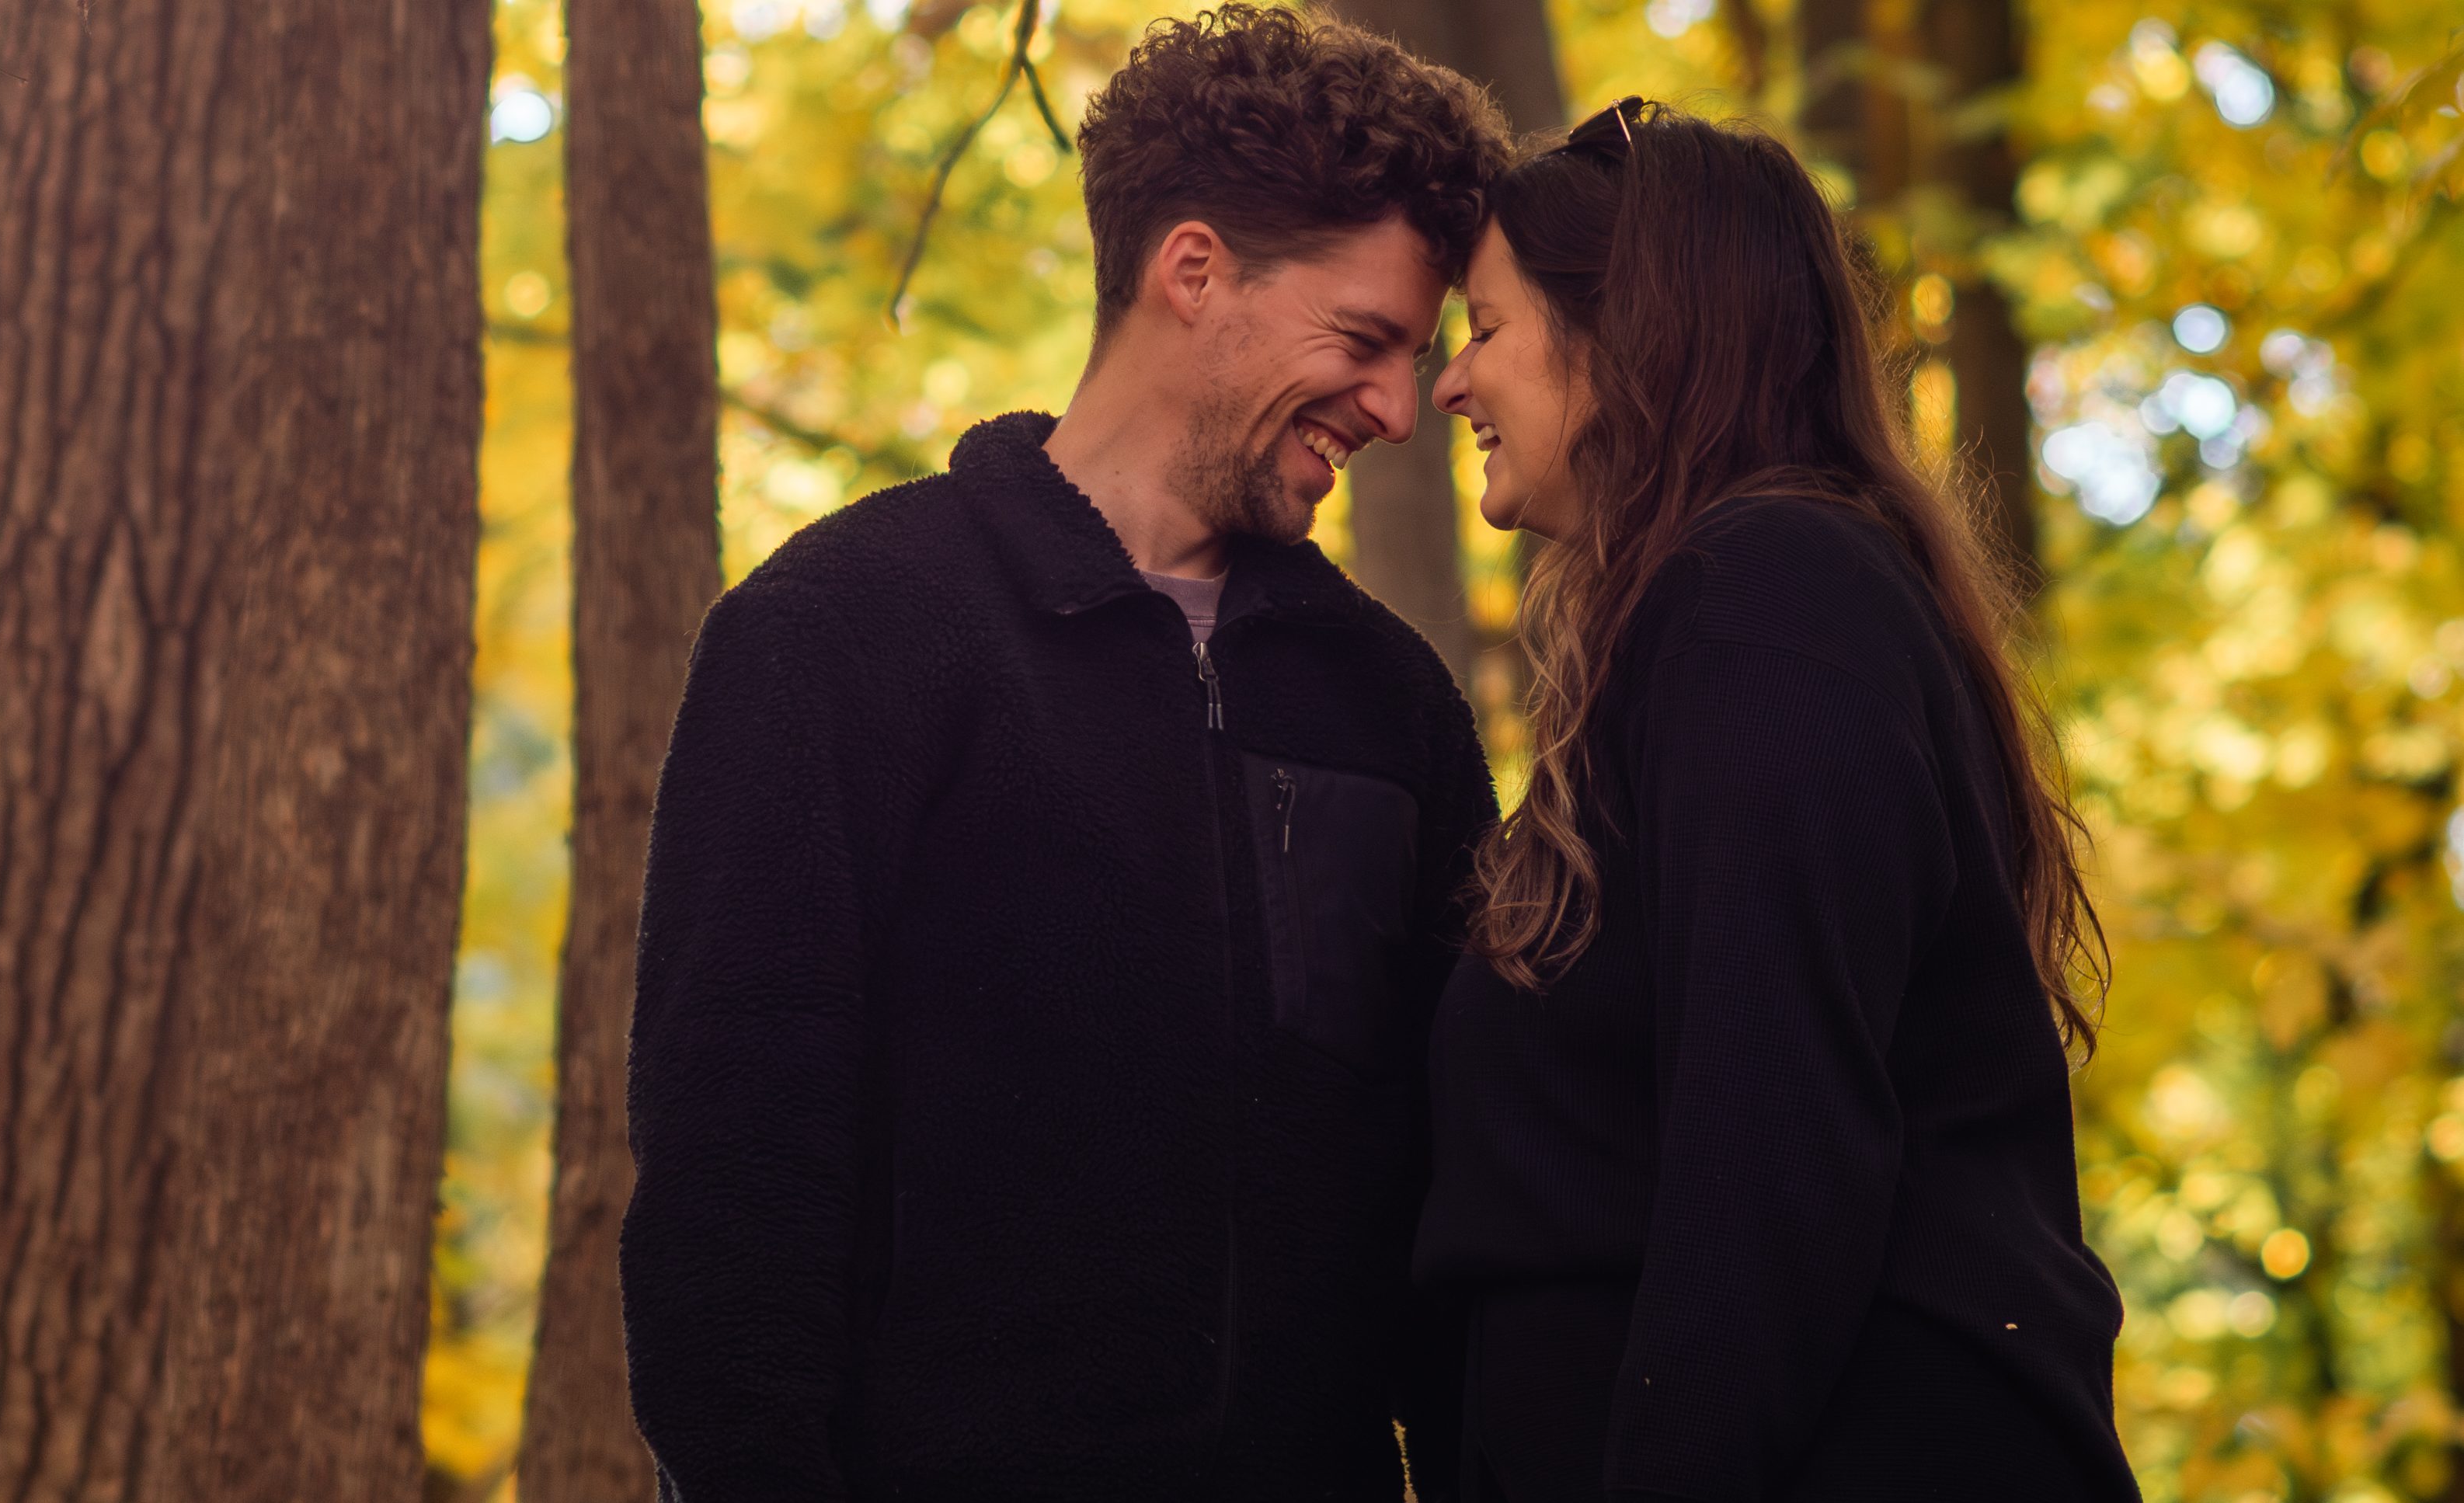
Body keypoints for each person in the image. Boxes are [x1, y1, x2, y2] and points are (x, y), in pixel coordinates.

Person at [621, 9, 1508, 1499]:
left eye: (1416, 359)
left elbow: (1449, 1201)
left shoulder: (1391, 705)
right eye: (1365, 343)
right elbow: (732, 1204)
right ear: (1194, 271)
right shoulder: (837, 634)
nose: (1399, 412)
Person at [1413, 100, 2140, 1501]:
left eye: (1488, 327)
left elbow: (1773, 1154)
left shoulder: (1766, 603)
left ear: (1627, 331)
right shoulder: (1727, 616)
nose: (1450, 383)